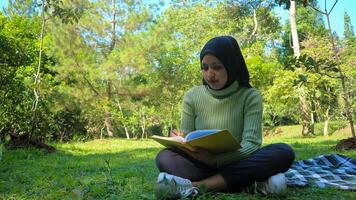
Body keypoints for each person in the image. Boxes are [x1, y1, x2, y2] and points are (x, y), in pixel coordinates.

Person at [154, 36, 295, 199]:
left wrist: (215, 160)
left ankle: (196, 186)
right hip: (204, 165)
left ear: (231, 65)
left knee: (283, 152)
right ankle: (254, 182)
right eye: (204, 67)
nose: (210, 74)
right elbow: (188, 136)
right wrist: (180, 140)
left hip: (239, 160)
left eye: (217, 67)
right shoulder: (192, 96)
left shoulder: (250, 96)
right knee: (165, 157)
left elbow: (252, 143)